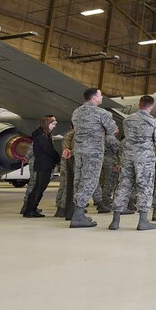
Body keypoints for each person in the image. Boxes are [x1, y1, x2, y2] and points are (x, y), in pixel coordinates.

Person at [109, 95, 156, 231]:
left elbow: (126, 137)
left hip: (127, 158)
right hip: (145, 160)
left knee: (123, 186)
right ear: (152, 106)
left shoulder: (127, 120)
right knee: (145, 187)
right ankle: (143, 221)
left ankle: (115, 221)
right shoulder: (154, 122)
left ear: (139, 104)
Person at [69, 87, 117, 228]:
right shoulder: (101, 113)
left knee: (79, 180)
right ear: (94, 97)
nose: (102, 97)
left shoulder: (76, 112)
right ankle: (78, 216)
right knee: (90, 181)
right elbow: (112, 130)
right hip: (93, 152)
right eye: (100, 95)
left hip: (79, 151)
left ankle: (78, 212)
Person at [24, 116, 60, 218]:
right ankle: (31, 210)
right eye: (53, 124)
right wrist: (57, 159)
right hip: (45, 165)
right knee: (40, 188)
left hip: (40, 164)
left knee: (36, 187)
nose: (54, 126)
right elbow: (49, 150)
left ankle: (29, 209)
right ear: (47, 124)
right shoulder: (43, 136)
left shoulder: (40, 135)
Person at [54, 124, 75, 218]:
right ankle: (63, 208)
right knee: (67, 186)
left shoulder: (68, 135)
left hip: (65, 162)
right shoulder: (72, 135)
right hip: (68, 163)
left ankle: (59, 208)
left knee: (63, 186)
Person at [97, 134, 120, 213]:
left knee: (103, 181)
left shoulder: (101, 137)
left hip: (102, 160)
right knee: (110, 181)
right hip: (111, 161)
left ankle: (102, 200)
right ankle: (106, 200)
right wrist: (118, 162)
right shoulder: (111, 139)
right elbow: (117, 151)